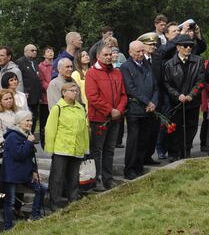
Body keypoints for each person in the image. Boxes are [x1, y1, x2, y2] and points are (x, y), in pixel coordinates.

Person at [85, 42, 127, 190]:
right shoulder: (92, 73)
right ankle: (96, 180)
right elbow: (93, 97)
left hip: (115, 118)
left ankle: (108, 179)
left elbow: (123, 94)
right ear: (98, 56)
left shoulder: (117, 72)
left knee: (110, 150)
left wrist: (119, 110)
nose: (109, 57)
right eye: (106, 55)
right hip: (99, 119)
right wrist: (110, 110)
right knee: (97, 150)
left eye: (110, 54)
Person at [44, 81, 90, 207]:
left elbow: (84, 130)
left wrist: (86, 148)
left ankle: (73, 201)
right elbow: (50, 129)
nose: (75, 93)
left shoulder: (80, 108)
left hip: (77, 148)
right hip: (61, 148)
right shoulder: (57, 108)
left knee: (74, 177)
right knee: (57, 178)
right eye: (72, 91)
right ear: (64, 93)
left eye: (76, 91)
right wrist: (50, 148)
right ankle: (55, 203)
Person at [0, 112, 46, 229]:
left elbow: (30, 156)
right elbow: (19, 155)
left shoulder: (26, 135)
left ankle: (35, 215)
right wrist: (29, 142)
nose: (30, 123)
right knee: (9, 201)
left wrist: (34, 171)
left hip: (25, 174)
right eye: (27, 121)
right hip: (12, 175)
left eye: (31, 120)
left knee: (41, 188)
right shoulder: (12, 137)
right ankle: (8, 227)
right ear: (19, 122)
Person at [161, 35, 204, 159]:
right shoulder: (169, 64)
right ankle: (174, 154)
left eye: (191, 45)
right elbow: (166, 83)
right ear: (178, 47)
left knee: (191, 128)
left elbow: (200, 81)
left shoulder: (198, 61)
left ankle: (186, 152)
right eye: (185, 46)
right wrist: (177, 95)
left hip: (192, 102)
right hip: (176, 103)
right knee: (175, 129)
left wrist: (191, 95)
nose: (188, 48)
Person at [121, 38, 158, 179]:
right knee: (133, 141)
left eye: (143, 50)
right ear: (130, 52)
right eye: (138, 51)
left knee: (144, 140)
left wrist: (153, 102)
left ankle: (139, 166)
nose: (141, 54)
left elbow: (155, 86)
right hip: (135, 110)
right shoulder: (126, 67)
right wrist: (147, 102)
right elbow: (131, 88)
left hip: (149, 110)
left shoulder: (147, 64)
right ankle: (129, 168)